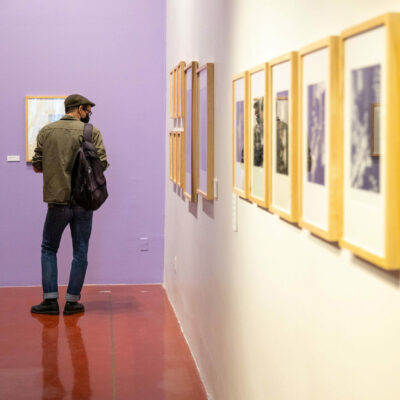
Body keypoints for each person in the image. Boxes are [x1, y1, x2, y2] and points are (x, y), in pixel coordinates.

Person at [31, 94, 109, 316]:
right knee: (80, 251)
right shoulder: (91, 132)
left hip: (57, 200)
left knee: (48, 249)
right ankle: (73, 302)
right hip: (84, 201)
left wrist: (57, 168)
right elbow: (101, 164)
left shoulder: (47, 131)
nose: (89, 114)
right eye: (88, 109)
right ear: (79, 109)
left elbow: (37, 164)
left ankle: (50, 301)